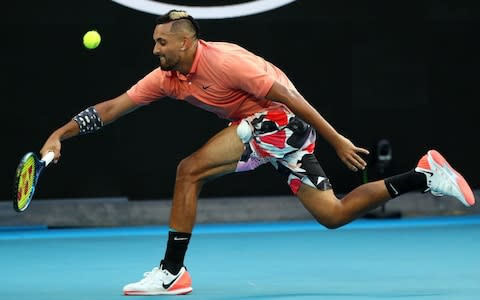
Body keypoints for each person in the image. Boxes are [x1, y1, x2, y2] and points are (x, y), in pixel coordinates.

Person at [39, 10, 475, 296]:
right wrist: (59, 134)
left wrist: (337, 138)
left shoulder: (225, 61)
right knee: (333, 214)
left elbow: (290, 97)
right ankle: (423, 176)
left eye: (161, 43)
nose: (155, 50)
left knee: (188, 170)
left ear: (186, 43)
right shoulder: (167, 77)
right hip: (271, 135)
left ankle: (172, 272)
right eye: (154, 44)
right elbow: (113, 107)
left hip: (284, 118)